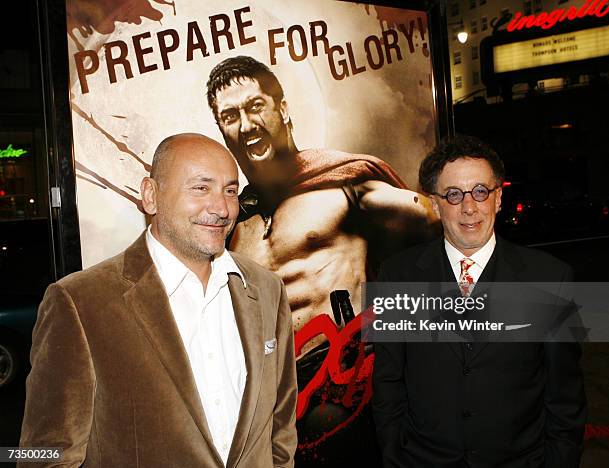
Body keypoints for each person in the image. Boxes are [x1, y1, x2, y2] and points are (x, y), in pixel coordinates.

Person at [20, 133, 297, 468]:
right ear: (151, 195)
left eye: (230, 190)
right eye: (200, 187)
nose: (222, 208)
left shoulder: (267, 289)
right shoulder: (78, 303)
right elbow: (42, 455)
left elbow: (281, 429)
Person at [372, 135, 586, 467]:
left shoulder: (551, 279)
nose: (469, 207)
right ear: (434, 204)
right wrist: (394, 453)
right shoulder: (396, 276)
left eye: (481, 192)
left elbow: (565, 397)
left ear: (498, 198)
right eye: (453, 195)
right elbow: (388, 381)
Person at [206, 55, 439, 354]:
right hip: (281, 390)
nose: (247, 125)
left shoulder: (344, 187)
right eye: (230, 116)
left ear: (284, 109)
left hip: (349, 380)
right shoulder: (232, 225)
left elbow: (440, 225)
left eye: (255, 107)